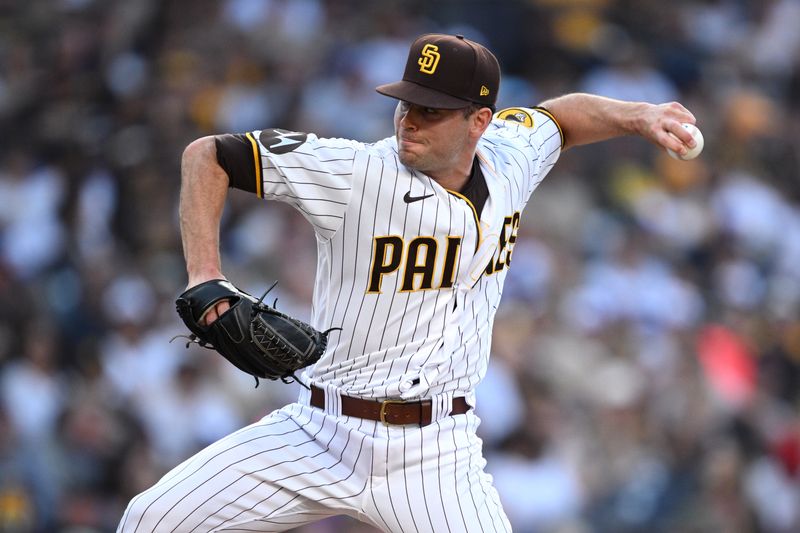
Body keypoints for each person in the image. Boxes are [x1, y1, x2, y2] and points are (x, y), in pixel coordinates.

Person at [118, 33, 699, 532]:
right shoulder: (356, 171)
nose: (409, 120)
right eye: (406, 103)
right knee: (148, 520)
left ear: (480, 121)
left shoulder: (510, 157)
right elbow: (207, 156)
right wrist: (206, 278)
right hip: (322, 431)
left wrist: (637, 115)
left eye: (431, 110)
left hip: (437, 455)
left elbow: (560, 118)